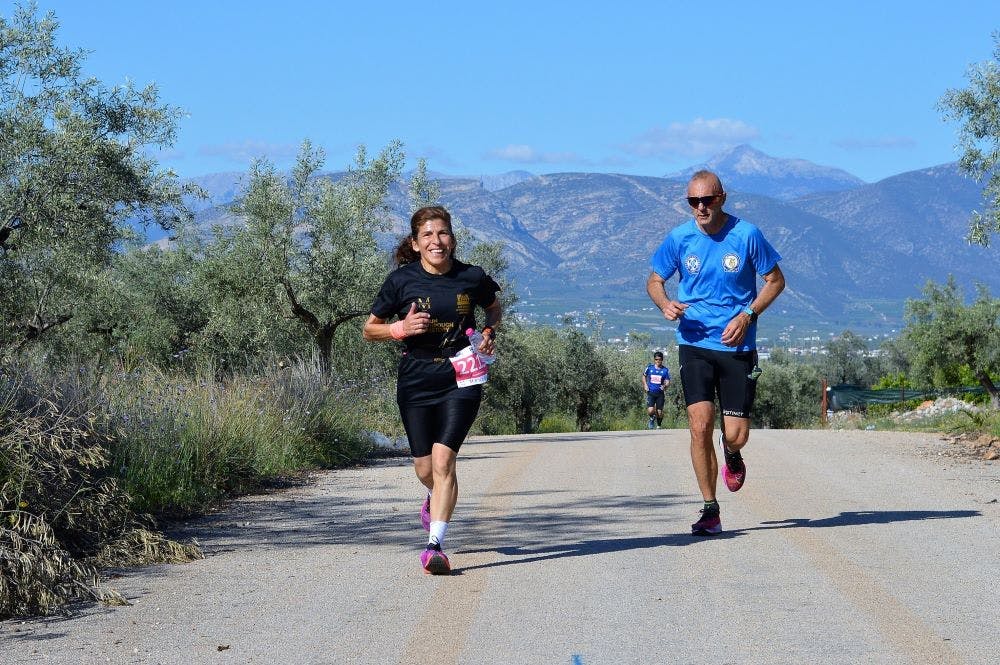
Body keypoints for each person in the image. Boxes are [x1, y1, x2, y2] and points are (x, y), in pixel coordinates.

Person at [646, 170, 785, 536]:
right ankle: (710, 509)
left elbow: (775, 280)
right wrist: (664, 304)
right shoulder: (679, 237)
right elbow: (655, 279)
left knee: (735, 433)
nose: (701, 207)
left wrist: (748, 314)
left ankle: (733, 452)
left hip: (736, 345)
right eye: (693, 201)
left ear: (722, 197)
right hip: (694, 342)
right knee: (699, 426)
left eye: (707, 200)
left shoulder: (747, 235)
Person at [363, 205, 501, 573]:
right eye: (428, 235)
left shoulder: (472, 276)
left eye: (442, 234)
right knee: (425, 467)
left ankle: (434, 545)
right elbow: (369, 329)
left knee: (444, 461)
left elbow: (494, 308)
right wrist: (399, 329)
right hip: (416, 375)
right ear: (415, 242)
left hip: (462, 373)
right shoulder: (400, 281)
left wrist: (487, 333)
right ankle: (433, 497)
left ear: (452, 239)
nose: (436, 241)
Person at [642, 351, 671, 429]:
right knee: (650, 410)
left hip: (660, 394)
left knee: (659, 412)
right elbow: (643, 376)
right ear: (654, 360)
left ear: (662, 360)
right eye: (656, 359)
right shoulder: (649, 368)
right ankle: (652, 418)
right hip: (651, 392)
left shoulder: (665, 370)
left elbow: (668, 382)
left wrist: (665, 386)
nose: (658, 361)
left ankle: (658, 425)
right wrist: (645, 385)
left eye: (659, 359)